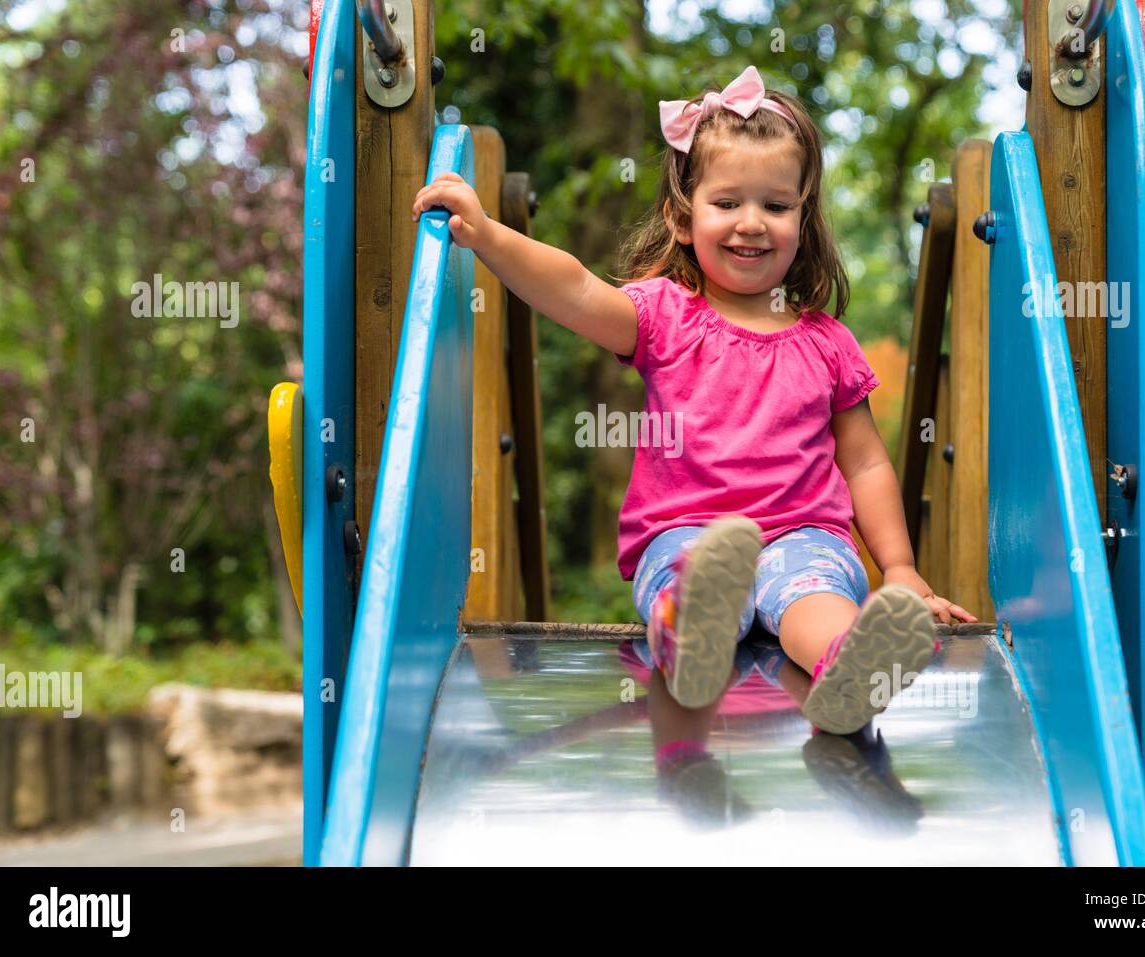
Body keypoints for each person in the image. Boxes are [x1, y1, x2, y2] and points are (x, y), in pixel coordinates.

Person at [411, 65, 976, 742]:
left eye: (776, 205)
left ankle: (850, 671)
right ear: (683, 217)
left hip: (804, 534)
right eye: (727, 202)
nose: (751, 223)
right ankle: (691, 646)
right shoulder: (663, 316)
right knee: (695, 577)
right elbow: (576, 289)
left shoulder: (826, 342)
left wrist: (902, 569)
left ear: (803, 216)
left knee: (818, 598)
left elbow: (866, 465)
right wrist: (489, 236)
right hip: (686, 533)